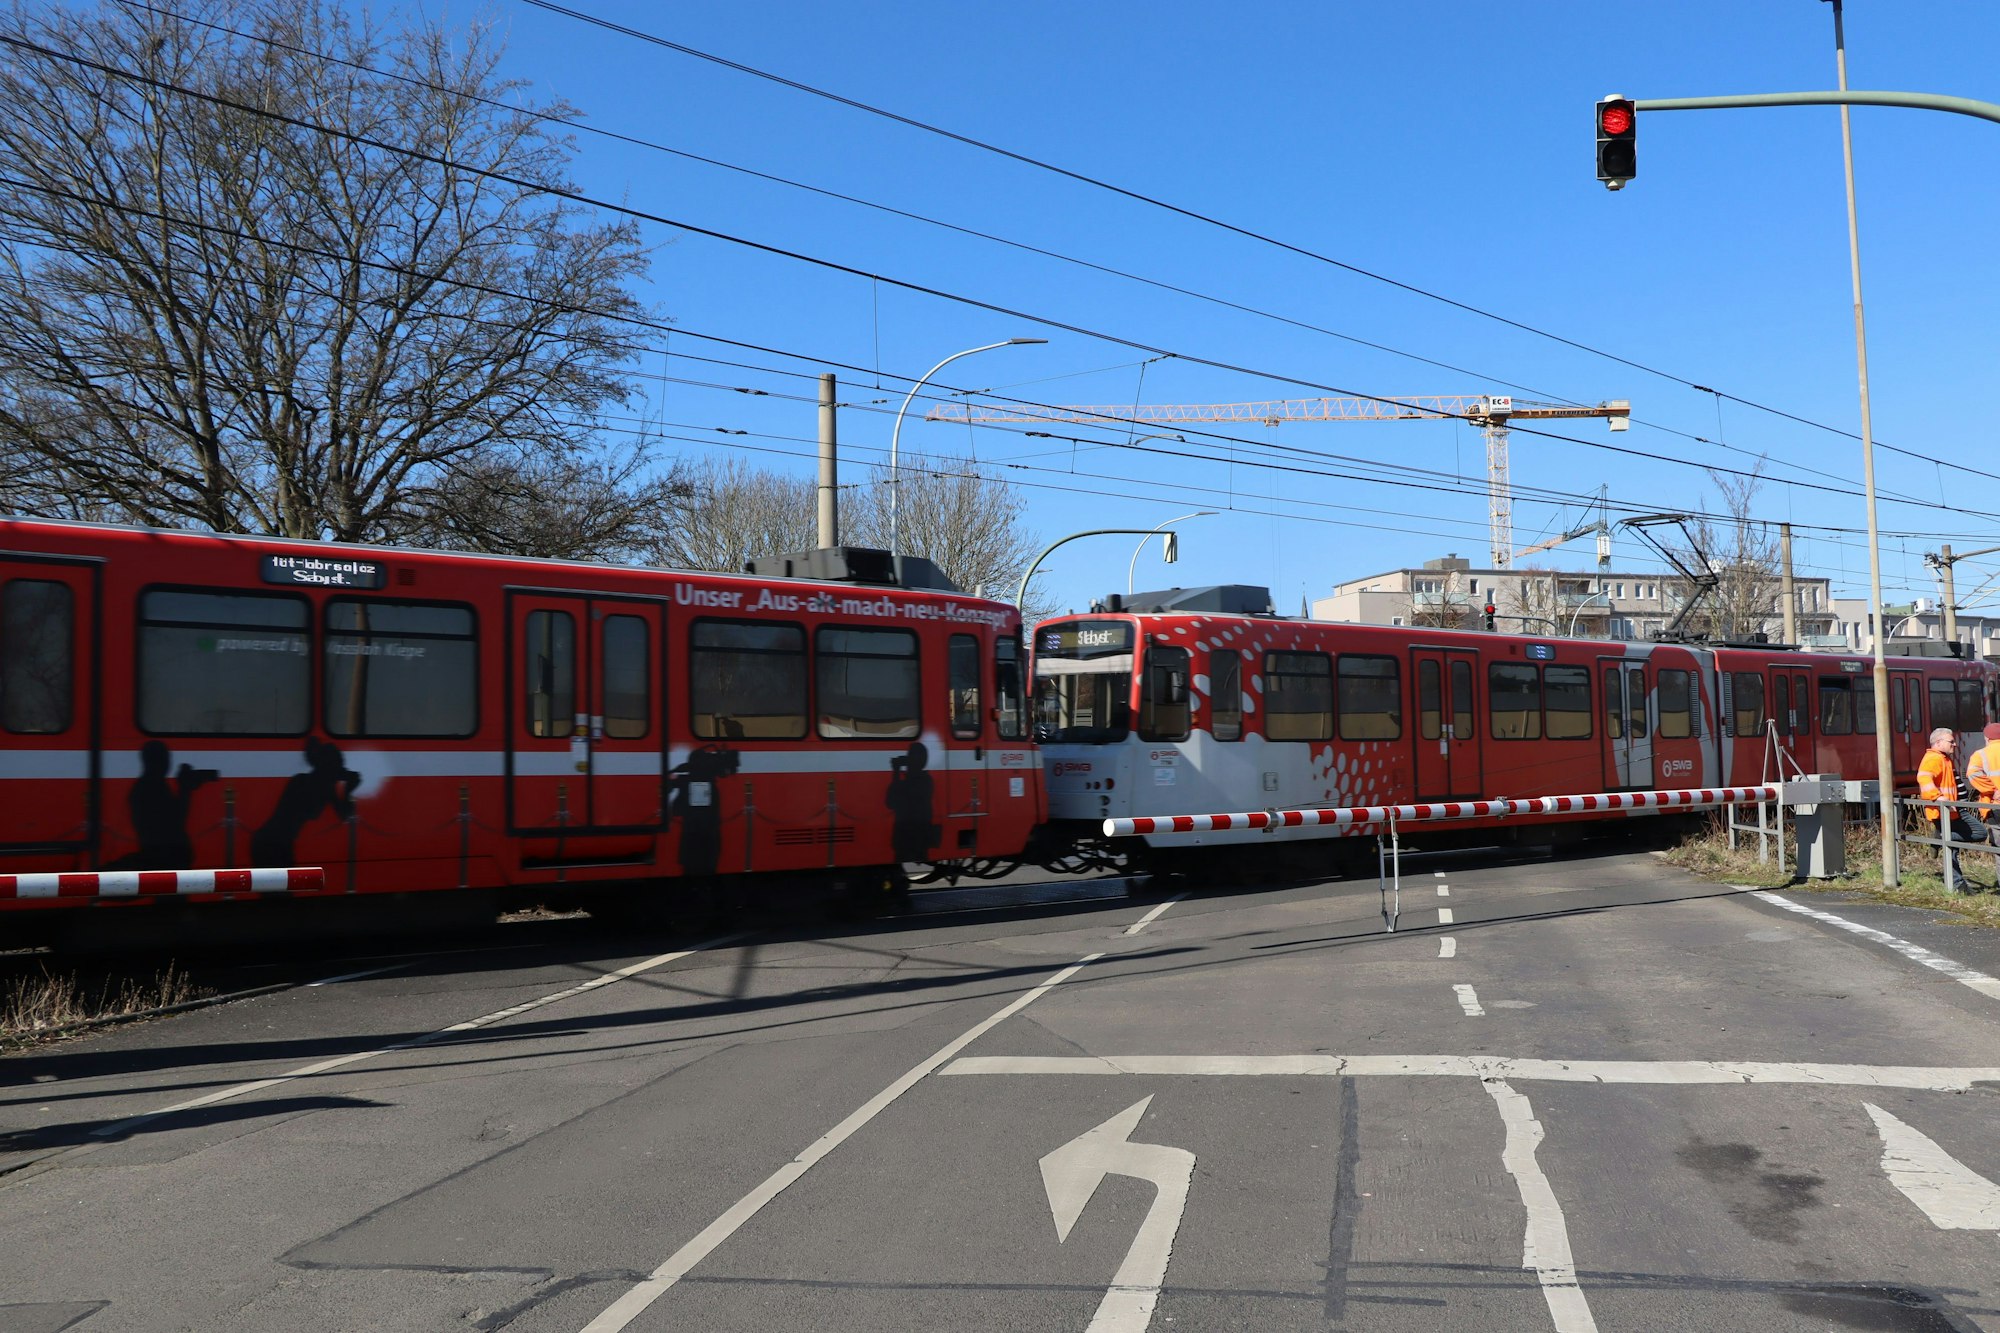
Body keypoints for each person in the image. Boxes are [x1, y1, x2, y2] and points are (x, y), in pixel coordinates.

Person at [1917, 726, 1983, 850]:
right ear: (1938, 743)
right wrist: (1938, 797)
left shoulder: (1944, 758)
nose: (1955, 744)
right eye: (1951, 742)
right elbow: (1923, 778)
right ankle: (1941, 838)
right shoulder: (1934, 758)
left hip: (1953, 810)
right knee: (1980, 833)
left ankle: (1942, 840)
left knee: (1953, 849)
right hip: (1949, 810)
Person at [1966, 722, 2000, 843]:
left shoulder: (1980, 754)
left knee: (1998, 841)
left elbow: (1972, 774)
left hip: (1994, 804)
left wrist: (1993, 789)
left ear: (1987, 738)